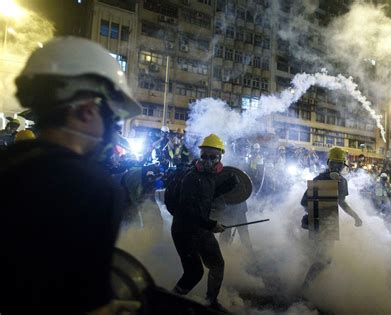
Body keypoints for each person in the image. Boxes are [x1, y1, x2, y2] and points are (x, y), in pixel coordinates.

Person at [0, 37, 141, 314]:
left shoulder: (7, 163)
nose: (112, 129)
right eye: (112, 118)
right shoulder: (93, 188)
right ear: (87, 110)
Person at [171, 133, 237, 311]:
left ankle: (211, 302)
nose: (208, 160)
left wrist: (226, 187)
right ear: (200, 156)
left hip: (201, 229)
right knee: (194, 273)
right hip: (184, 231)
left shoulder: (209, 177)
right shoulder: (191, 178)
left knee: (217, 264)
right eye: (205, 156)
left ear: (220, 158)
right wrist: (211, 224)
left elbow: (206, 197)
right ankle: (168, 304)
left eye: (212, 156)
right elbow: (187, 211)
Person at [300, 147, 363, 286]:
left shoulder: (341, 182)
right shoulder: (319, 180)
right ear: (329, 164)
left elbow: (341, 202)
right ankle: (305, 287)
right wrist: (313, 211)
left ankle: (312, 285)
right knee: (324, 259)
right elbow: (304, 202)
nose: (337, 167)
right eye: (335, 164)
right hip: (319, 223)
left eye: (339, 164)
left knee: (322, 258)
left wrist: (356, 216)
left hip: (328, 224)